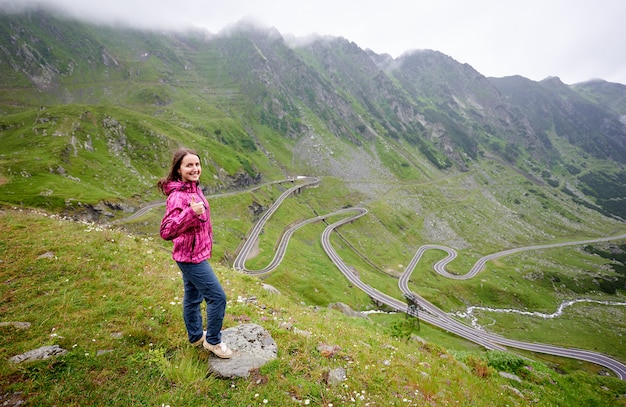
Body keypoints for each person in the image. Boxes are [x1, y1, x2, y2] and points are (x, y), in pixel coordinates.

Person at [157, 147, 233, 358]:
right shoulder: (178, 196)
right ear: (179, 169)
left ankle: (195, 337)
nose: (195, 168)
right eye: (189, 165)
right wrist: (190, 213)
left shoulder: (193, 189)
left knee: (192, 298)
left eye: (197, 164)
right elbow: (166, 231)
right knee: (218, 298)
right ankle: (213, 342)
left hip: (194, 254)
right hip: (191, 259)